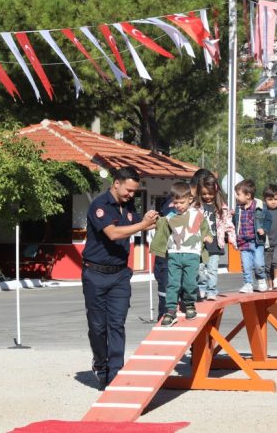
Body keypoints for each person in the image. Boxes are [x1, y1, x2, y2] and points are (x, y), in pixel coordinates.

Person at [82, 166, 158, 389]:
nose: (131, 195)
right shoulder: (99, 206)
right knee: (98, 327)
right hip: (95, 274)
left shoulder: (128, 207)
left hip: (120, 276)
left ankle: (115, 373)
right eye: (129, 190)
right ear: (116, 183)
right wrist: (142, 225)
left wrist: (145, 220)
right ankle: (100, 364)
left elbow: (132, 224)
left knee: (117, 324)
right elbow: (113, 233)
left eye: (134, 192)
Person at [150, 182, 212, 327]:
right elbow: (160, 226)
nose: (178, 205)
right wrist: (153, 217)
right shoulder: (170, 217)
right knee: (172, 284)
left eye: (181, 202)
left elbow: (205, 228)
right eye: (175, 202)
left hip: (192, 255)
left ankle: (189, 304)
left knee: (190, 282)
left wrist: (208, 236)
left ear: (190, 199)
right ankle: (170, 310)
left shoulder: (197, 215)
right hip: (174, 255)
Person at [196, 174, 236, 301]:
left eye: (210, 194)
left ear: (216, 192)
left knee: (212, 269)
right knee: (200, 269)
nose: (207, 196)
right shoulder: (196, 207)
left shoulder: (222, 208)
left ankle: (212, 290)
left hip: (215, 244)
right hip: (200, 245)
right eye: (204, 194)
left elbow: (229, 225)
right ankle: (202, 288)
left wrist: (233, 240)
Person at [233, 179, 272, 293]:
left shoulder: (260, 207)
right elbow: (234, 222)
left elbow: (268, 220)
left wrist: (264, 229)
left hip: (256, 241)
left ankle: (261, 281)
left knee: (259, 263)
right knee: (246, 265)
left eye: (238, 194)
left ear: (248, 195)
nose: (236, 197)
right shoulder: (238, 209)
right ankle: (248, 283)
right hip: (243, 242)